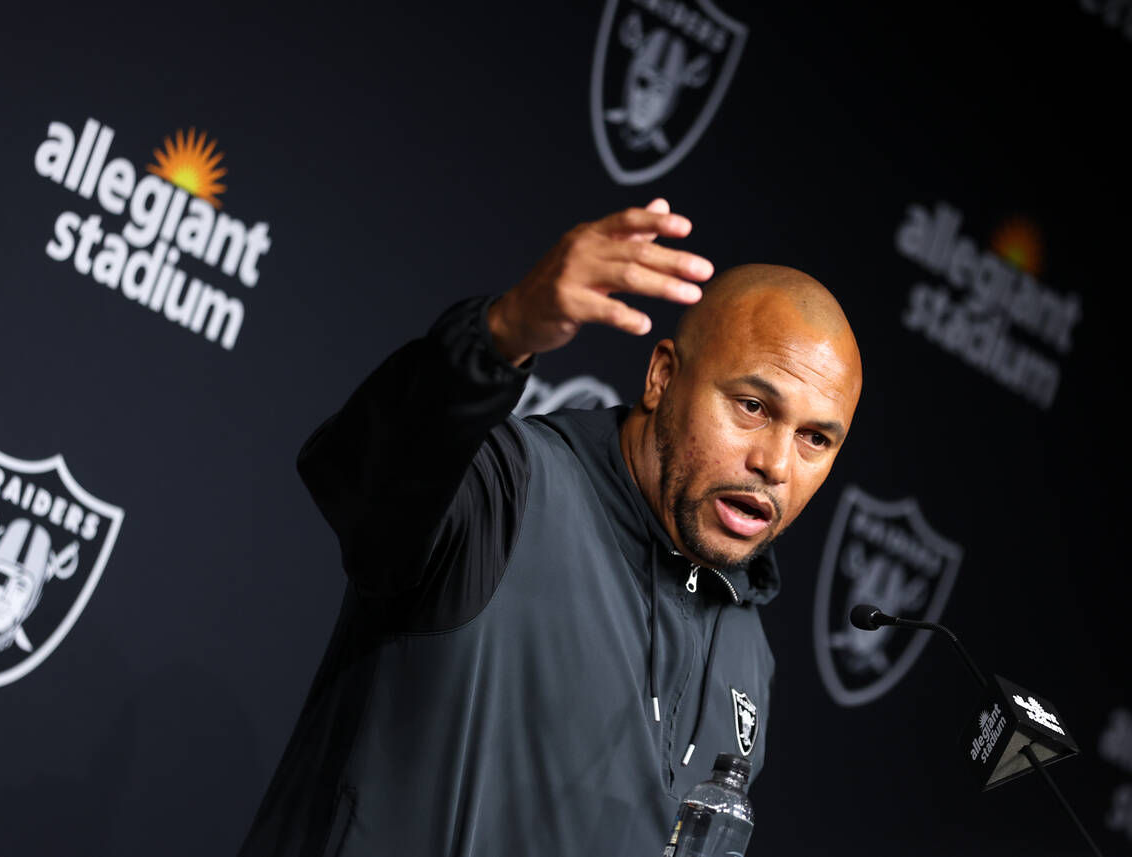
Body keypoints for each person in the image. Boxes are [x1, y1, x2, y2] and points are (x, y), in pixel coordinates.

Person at [239, 199, 863, 857]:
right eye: (752, 405)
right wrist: (501, 330)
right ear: (662, 377)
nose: (775, 463)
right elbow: (360, 478)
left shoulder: (747, 647)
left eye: (815, 438)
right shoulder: (505, 489)